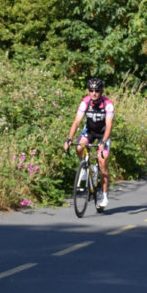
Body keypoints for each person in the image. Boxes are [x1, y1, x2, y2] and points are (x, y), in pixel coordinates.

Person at [63, 77, 115, 209]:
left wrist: (103, 142)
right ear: (88, 91)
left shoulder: (108, 104)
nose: (94, 93)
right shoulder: (85, 102)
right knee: (79, 147)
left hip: (103, 133)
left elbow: (109, 126)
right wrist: (69, 138)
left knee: (102, 162)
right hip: (90, 130)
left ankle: (104, 196)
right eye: (91, 90)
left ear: (101, 91)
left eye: (97, 90)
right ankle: (86, 169)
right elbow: (77, 122)